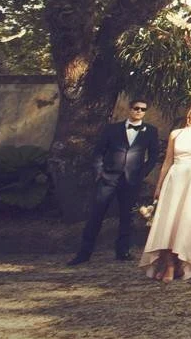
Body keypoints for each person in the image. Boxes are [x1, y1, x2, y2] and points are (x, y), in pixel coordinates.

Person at [68, 98, 161, 265]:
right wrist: (99, 172)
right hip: (108, 178)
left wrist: (142, 173)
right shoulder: (112, 129)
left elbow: (154, 156)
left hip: (131, 180)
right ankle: (84, 253)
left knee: (127, 217)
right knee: (96, 215)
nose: (139, 111)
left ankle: (122, 251)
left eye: (143, 109)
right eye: (136, 108)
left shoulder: (150, 131)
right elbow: (98, 152)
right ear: (129, 109)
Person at [139, 97, 191, 282]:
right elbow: (167, 162)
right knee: (167, 223)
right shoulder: (176, 133)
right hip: (174, 178)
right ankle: (168, 265)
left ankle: (179, 263)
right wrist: (159, 186)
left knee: (184, 223)